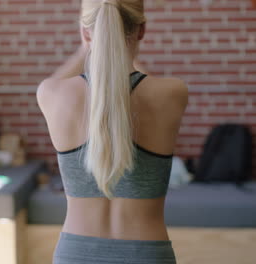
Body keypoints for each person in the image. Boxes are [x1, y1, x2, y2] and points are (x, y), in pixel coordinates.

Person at [37, 0, 188, 263]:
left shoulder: (51, 94)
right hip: (147, 253)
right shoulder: (172, 93)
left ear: (85, 32)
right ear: (142, 30)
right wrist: (118, 47)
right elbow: (131, 78)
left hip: (76, 254)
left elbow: (64, 79)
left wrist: (87, 48)